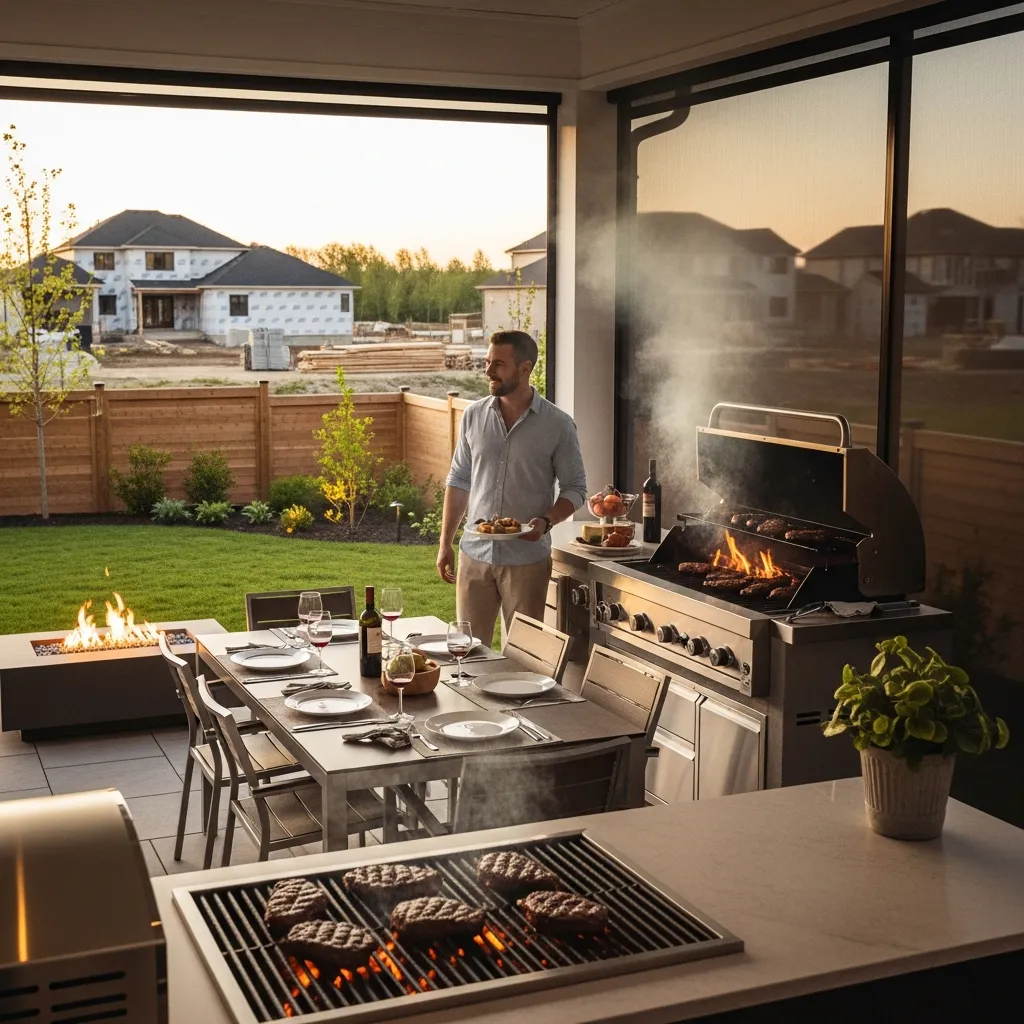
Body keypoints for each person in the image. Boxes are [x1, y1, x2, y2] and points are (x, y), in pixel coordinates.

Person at [436, 330, 587, 644]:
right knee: (468, 655)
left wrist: (546, 522)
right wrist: (445, 543)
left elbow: (575, 488)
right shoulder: (473, 416)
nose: (488, 370)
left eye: (498, 364)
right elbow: (459, 480)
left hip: (526, 560)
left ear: (525, 368)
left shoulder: (558, 425)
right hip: (474, 556)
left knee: (522, 658)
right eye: (488, 362)